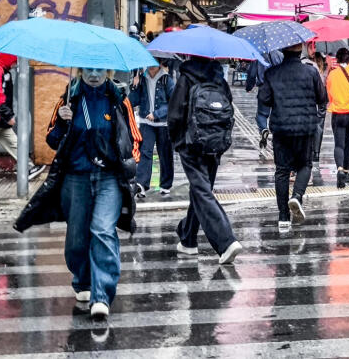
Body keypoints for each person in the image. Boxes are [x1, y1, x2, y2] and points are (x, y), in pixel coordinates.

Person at [15, 68, 143, 320]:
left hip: (108, 178)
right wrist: (62, 121)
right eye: (89, 69)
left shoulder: (118, 99)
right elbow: (52, 140)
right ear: (81, 70)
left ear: (107, 72)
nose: (94, 74)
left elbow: (133, 139)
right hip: (76, 178)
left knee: (103, 230)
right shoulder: (68, 98)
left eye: (99, 70)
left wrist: (130, 163)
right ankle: (82, 281)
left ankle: (102, 295)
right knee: (76, 238)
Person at [168, 56, 243, 264]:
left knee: (201, 191)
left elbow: (174, 115)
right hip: (215, 143)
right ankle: (188, 238)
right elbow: (229, 107)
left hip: (191, 143)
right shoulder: (219, 78)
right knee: (201, 191)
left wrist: (176, 141)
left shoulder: (186, 78)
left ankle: (226, 241)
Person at [259, 43, 328, 232]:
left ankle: (283, 217)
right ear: (301, 51)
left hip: (281, 128)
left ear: (282, 50)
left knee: (282, 171)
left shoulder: (272, 73)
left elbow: (264, 100)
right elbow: (322, 98)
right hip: (305, 128)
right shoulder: (311, 72)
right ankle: (297, 196)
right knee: (305, 165)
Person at [0, 53, 45, 179]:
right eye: (15, 60)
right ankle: (29, 168)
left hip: (0, 122)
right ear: (8, 58)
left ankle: (29, 168)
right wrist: (7, 116)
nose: (16, 64)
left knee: (16, 144)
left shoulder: (3, 70)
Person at [129, 61, 175, 198]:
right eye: (149, 62)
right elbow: (133, 100)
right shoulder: (142, 78)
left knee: (165, 154)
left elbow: (173, 102)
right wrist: (134, 86)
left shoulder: (167, 79)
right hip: (146, 123)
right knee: (145, 152)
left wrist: (157, 114)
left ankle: (166, 184)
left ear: (160, 64)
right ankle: (142, 185)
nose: (151, 66)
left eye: (155, 63)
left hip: (163, 124)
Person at [326, 48, 349, 189]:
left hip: (338, 113)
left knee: (339, 144)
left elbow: (329, 94)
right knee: (348, 143)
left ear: (337, 58)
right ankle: (347, 173)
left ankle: (340, 169)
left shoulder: (332, 74)